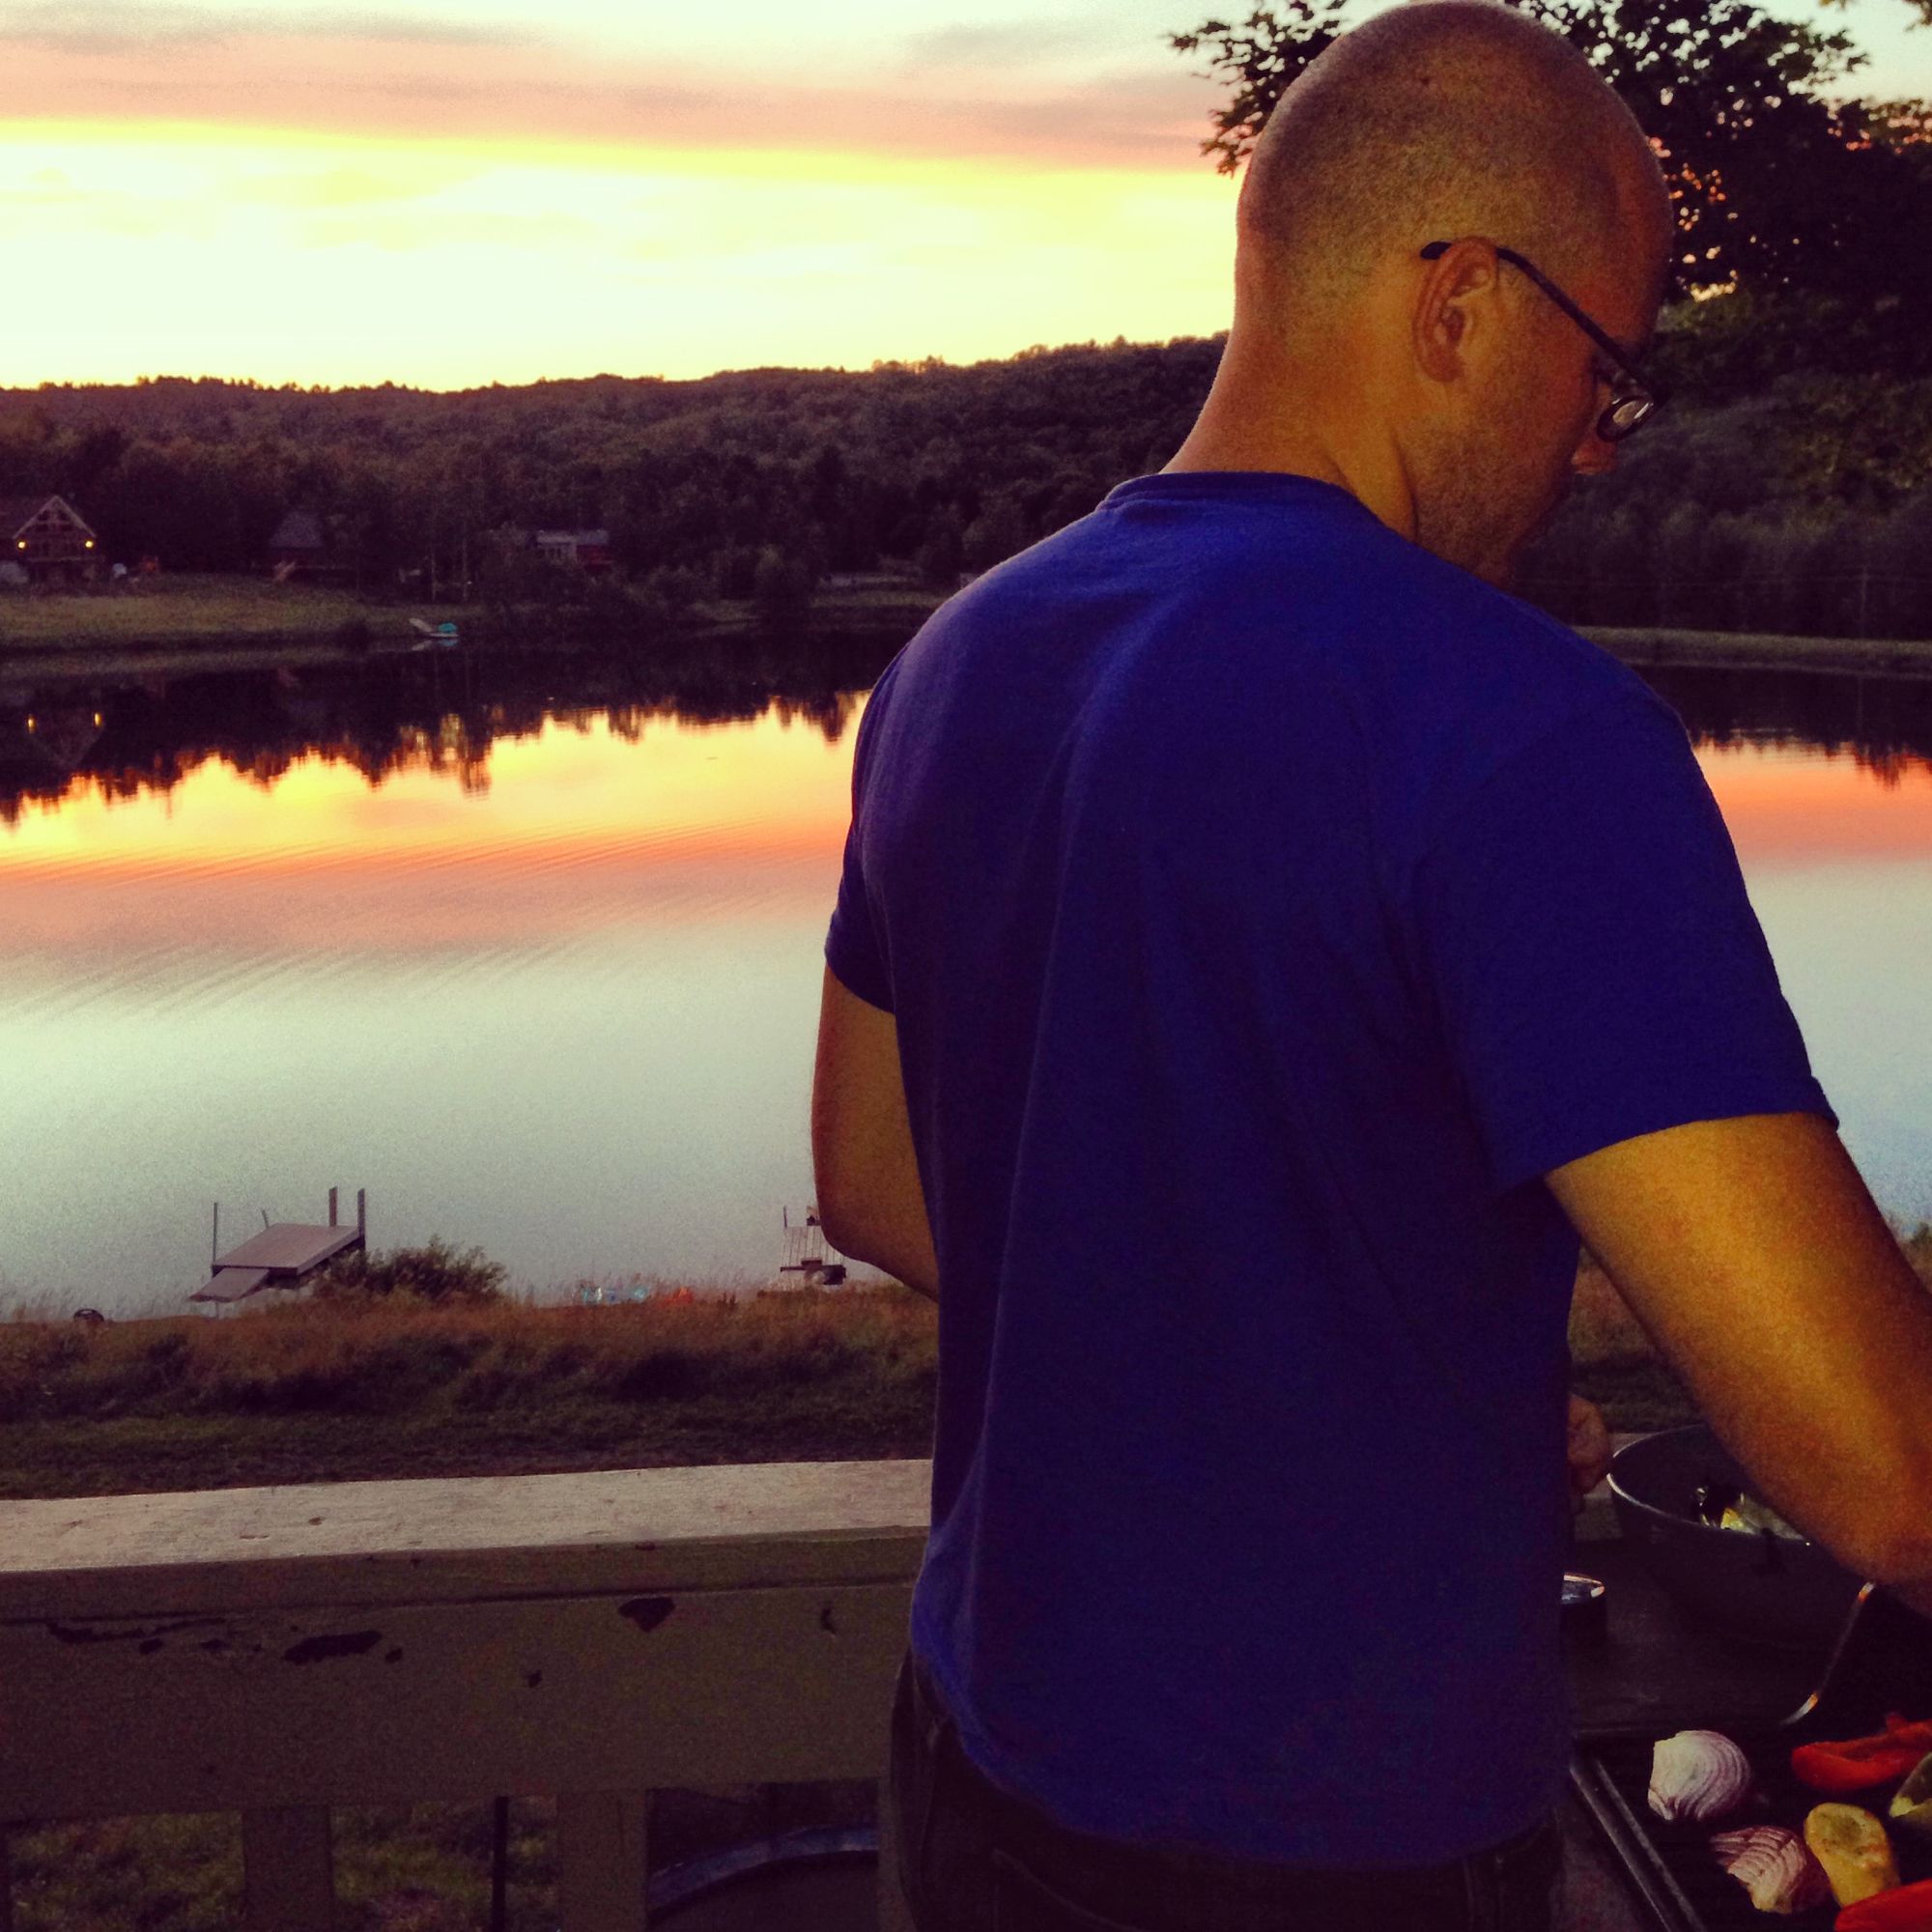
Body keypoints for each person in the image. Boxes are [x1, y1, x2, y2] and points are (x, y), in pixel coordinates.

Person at [810, 2, 1932, 1926]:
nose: (1602, 437)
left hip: (977, 1756)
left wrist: (1363, 1387)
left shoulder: (957, 662)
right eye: (1610, 372)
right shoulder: (1519, 728)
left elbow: (881, 1183)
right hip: (1320, 1842)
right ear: (1462, 302)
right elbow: (1880, 1465)